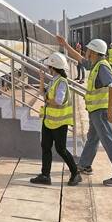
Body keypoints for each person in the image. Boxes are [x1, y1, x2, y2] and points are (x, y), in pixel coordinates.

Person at [56, 36, 112, 186]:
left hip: (101, 111)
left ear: (95, 52)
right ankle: (85, 164)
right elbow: (80, 59)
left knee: (109, 142)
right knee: (92, 139)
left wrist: (110, 110)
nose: (86, 52)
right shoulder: (96, 64)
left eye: (89, 50)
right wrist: (65, 45)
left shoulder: (102, 67)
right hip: (95, 110)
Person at [30, 52, 82, 187]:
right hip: (49, 120)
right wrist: (42, 79)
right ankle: (45, 175)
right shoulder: (54, 80)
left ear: (53, 68)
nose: (48, 69)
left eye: (49, 67)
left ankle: (75, 173)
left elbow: (58, 101)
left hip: (59, 122)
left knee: (61, 149)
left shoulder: (62, 82)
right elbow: (43, 93)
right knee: (45, 146)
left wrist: (47, 100)